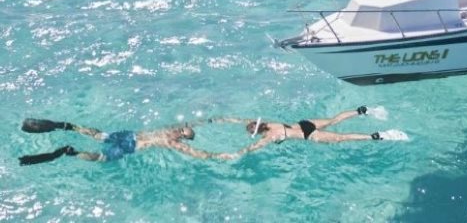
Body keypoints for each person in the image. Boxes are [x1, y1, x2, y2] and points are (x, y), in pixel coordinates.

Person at [18, 118, 227, 165]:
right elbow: (194, 152)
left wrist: (212, 120)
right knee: (102, 157)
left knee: (99, 135)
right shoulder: (172, 141)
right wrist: (216, 156)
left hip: (129, 135)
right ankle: (71, 152)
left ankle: (70, 127)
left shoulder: (169, 129)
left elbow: (193, 124)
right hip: (131, 145)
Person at [208, 106, 387, 160]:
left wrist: (233, 154)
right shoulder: (269, 125)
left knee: (341, 138)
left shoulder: (270, 137)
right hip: (305, 123)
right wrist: (224, 119)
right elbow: (242, 120)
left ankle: (373, 136)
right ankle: (361, 111)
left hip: (309, 135)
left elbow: (251, 148)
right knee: (333, 120)